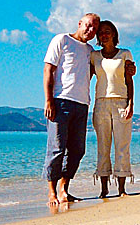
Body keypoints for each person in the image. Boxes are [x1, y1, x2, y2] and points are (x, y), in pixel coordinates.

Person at [42, 13, 99, 208]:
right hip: (61, 102)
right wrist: (49, 100)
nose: (90, 31)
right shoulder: (62, 39)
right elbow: (48, 69)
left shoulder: (90, 51)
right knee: (57, 148)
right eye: (88, 26)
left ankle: (64, 188)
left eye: (94, 29)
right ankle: (51, 191)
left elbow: (95, 70)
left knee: (77, 150)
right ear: (80, 23)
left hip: (82, 104)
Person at [90, 20, 134, 197]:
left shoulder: (124, 54)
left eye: (107, 31)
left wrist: (131, 104)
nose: (104, 35)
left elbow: (129, 80)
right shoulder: (94, 56)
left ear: (114, 34)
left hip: (121, 102)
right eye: (101, 32)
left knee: (122, 146)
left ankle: (122, 189)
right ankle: (103, 189)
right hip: (100, 103)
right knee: (103, 147)